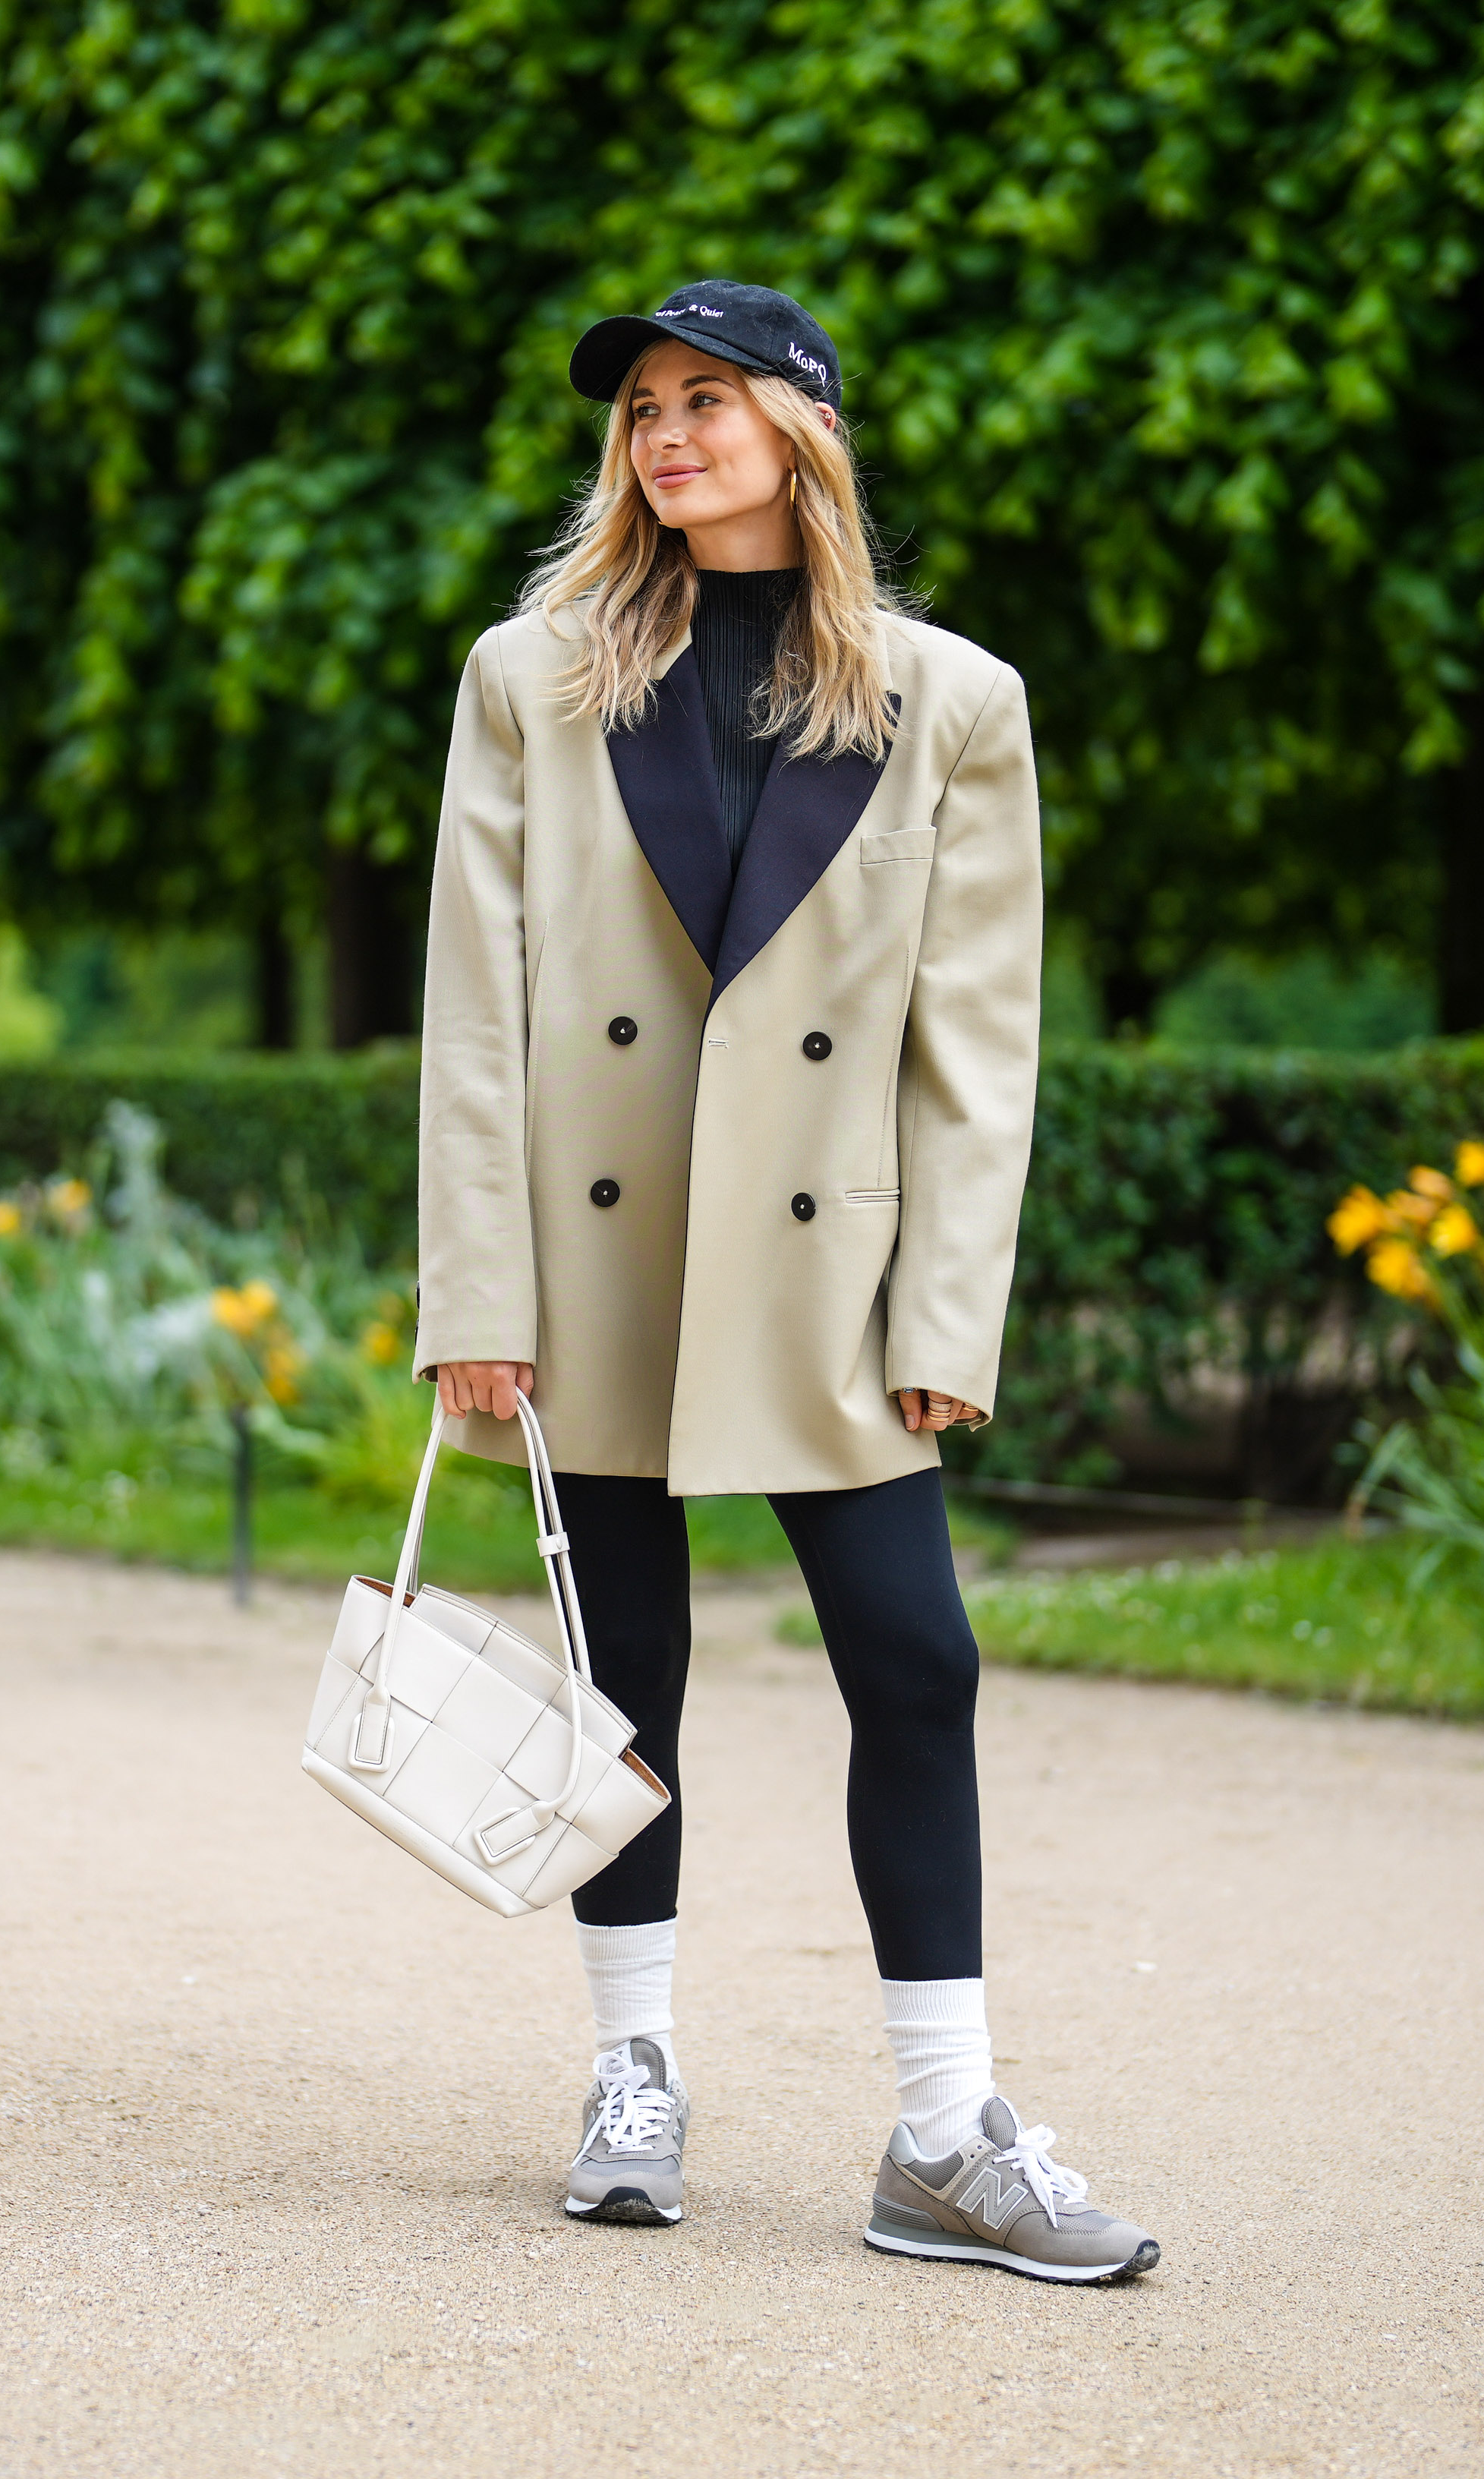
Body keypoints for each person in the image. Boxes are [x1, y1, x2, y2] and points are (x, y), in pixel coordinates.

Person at [411, 279, 1158, 2284]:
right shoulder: (530, 675)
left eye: (707, 399)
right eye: (643, 407)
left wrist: (945, 1316)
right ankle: (631, 2073)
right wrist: (472, 1286)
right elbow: (474, 1011)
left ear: (800, 430)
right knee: (620, 1686)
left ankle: (943, 2125)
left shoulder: (953, 702)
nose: (667, 433)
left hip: (828, 1267)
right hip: (598, 1251)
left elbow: (972, 1048)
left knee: (918, 1661)